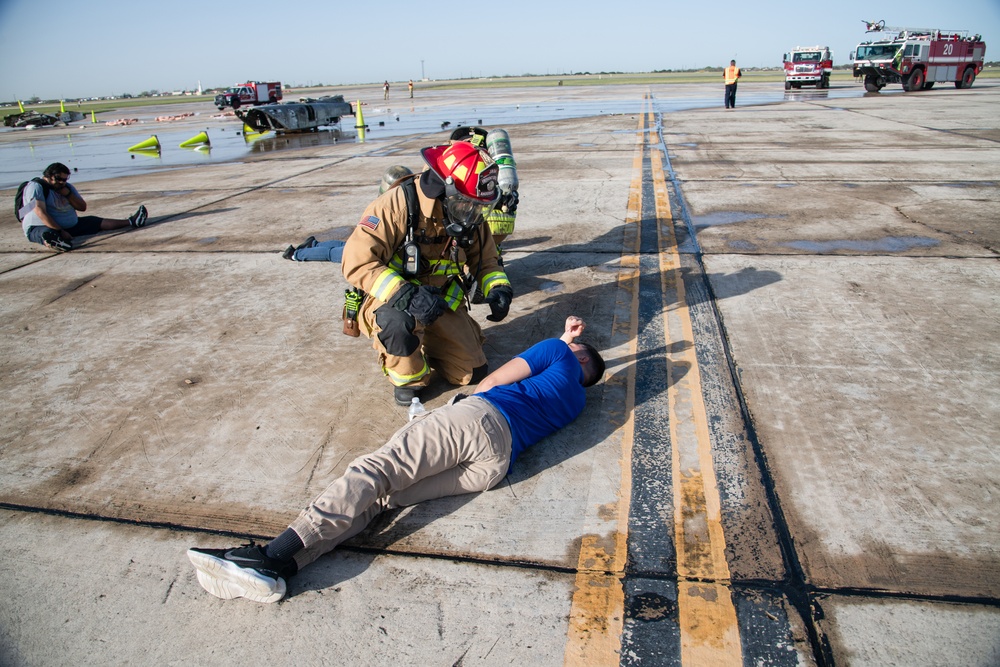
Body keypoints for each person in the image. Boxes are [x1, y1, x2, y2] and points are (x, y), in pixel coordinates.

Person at [187, 316, 606, 604]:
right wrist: (570, 343)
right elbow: (565, 372)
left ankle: (270, 556)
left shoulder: (559, 352)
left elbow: (495, 380)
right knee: (383, 500)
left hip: (480, 421)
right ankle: (284, 572)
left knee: (375, 472)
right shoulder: (576, 401)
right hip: (492, 467)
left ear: (580, 355)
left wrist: (562, 341)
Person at [340, 141, 513, 406]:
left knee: (473, 372)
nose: (475, 213)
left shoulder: (468, 211)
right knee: (398, 326)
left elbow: (486, 258)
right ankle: (408, 377)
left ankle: (430, 340)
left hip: (439, 301)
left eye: (479, 206)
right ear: (445, 190)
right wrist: (406, 295)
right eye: (469, 204)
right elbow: (356, 262)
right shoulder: (396, 205)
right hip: (394, 302)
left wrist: (498, 287)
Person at [18, 162, 148, 252]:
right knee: (47, 234)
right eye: (59, 179)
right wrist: (60, 231)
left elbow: (82, 207)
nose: (62, 182)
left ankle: (132, 221)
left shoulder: (66, 188)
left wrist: (68, 194)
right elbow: (40, 212)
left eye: (65, 179)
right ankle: (55, 242)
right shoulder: (36, 187)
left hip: (69, 226)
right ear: (49, 176)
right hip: (39, 227)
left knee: (95, 221)